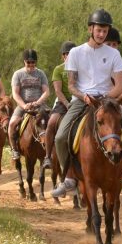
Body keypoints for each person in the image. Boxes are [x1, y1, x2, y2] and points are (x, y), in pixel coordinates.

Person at [51, 9, 122, 197]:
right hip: (82, 100)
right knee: (60, 137)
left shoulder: (114, 54)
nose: (102, 34)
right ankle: (69, 177)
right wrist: (84, 97)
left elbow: (119, 86)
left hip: (107, 100)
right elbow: (71, 85)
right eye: (98, 30)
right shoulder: (75, 52)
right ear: (90, 29)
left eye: (105, 31)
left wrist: (105, 98)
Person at [8, 49, 50, 161]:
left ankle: (51, 151)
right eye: (28, 62)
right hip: (23, 106)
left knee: (52, 121)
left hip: (39, 105)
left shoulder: (41, 73)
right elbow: (15, 93)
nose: (31, 64)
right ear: (24, 62)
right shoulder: (18, 74)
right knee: (12, 124)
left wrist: (38, 102)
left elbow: (46, 91)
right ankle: (14, 150)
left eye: (33, 62)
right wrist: (24, 105)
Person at [42, 41, 76, 170]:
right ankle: (47, 156)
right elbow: (58, 90)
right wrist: (67, 104)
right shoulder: (59, 69)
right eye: (67, 54)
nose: (70, 56)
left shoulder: (81, 68)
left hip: (80, 100)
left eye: (72, 54)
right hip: (63, 101)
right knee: (51, 122)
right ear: (63, 56)